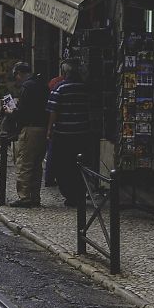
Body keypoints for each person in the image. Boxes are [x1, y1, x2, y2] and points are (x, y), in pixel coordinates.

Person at [47, 60, 91, 207]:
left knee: (62, 166)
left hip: (63, 134)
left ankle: (70, 195)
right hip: (82, 133)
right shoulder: (85, 88)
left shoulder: (60, 87)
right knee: (79, 165)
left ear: (65, 73)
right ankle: (80, 194)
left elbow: (53, 111)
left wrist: (49, 130)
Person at [6, 60, 49, 208]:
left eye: (16, 75)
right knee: (37, 165)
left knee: (24, 164)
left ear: (20, 74)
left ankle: (24, 197)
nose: (16, 79)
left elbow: (22, 112)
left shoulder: (27, 87)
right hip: (43, 129)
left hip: (29, 129)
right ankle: (35, 196)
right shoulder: (43, 85)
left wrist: (11, 111)